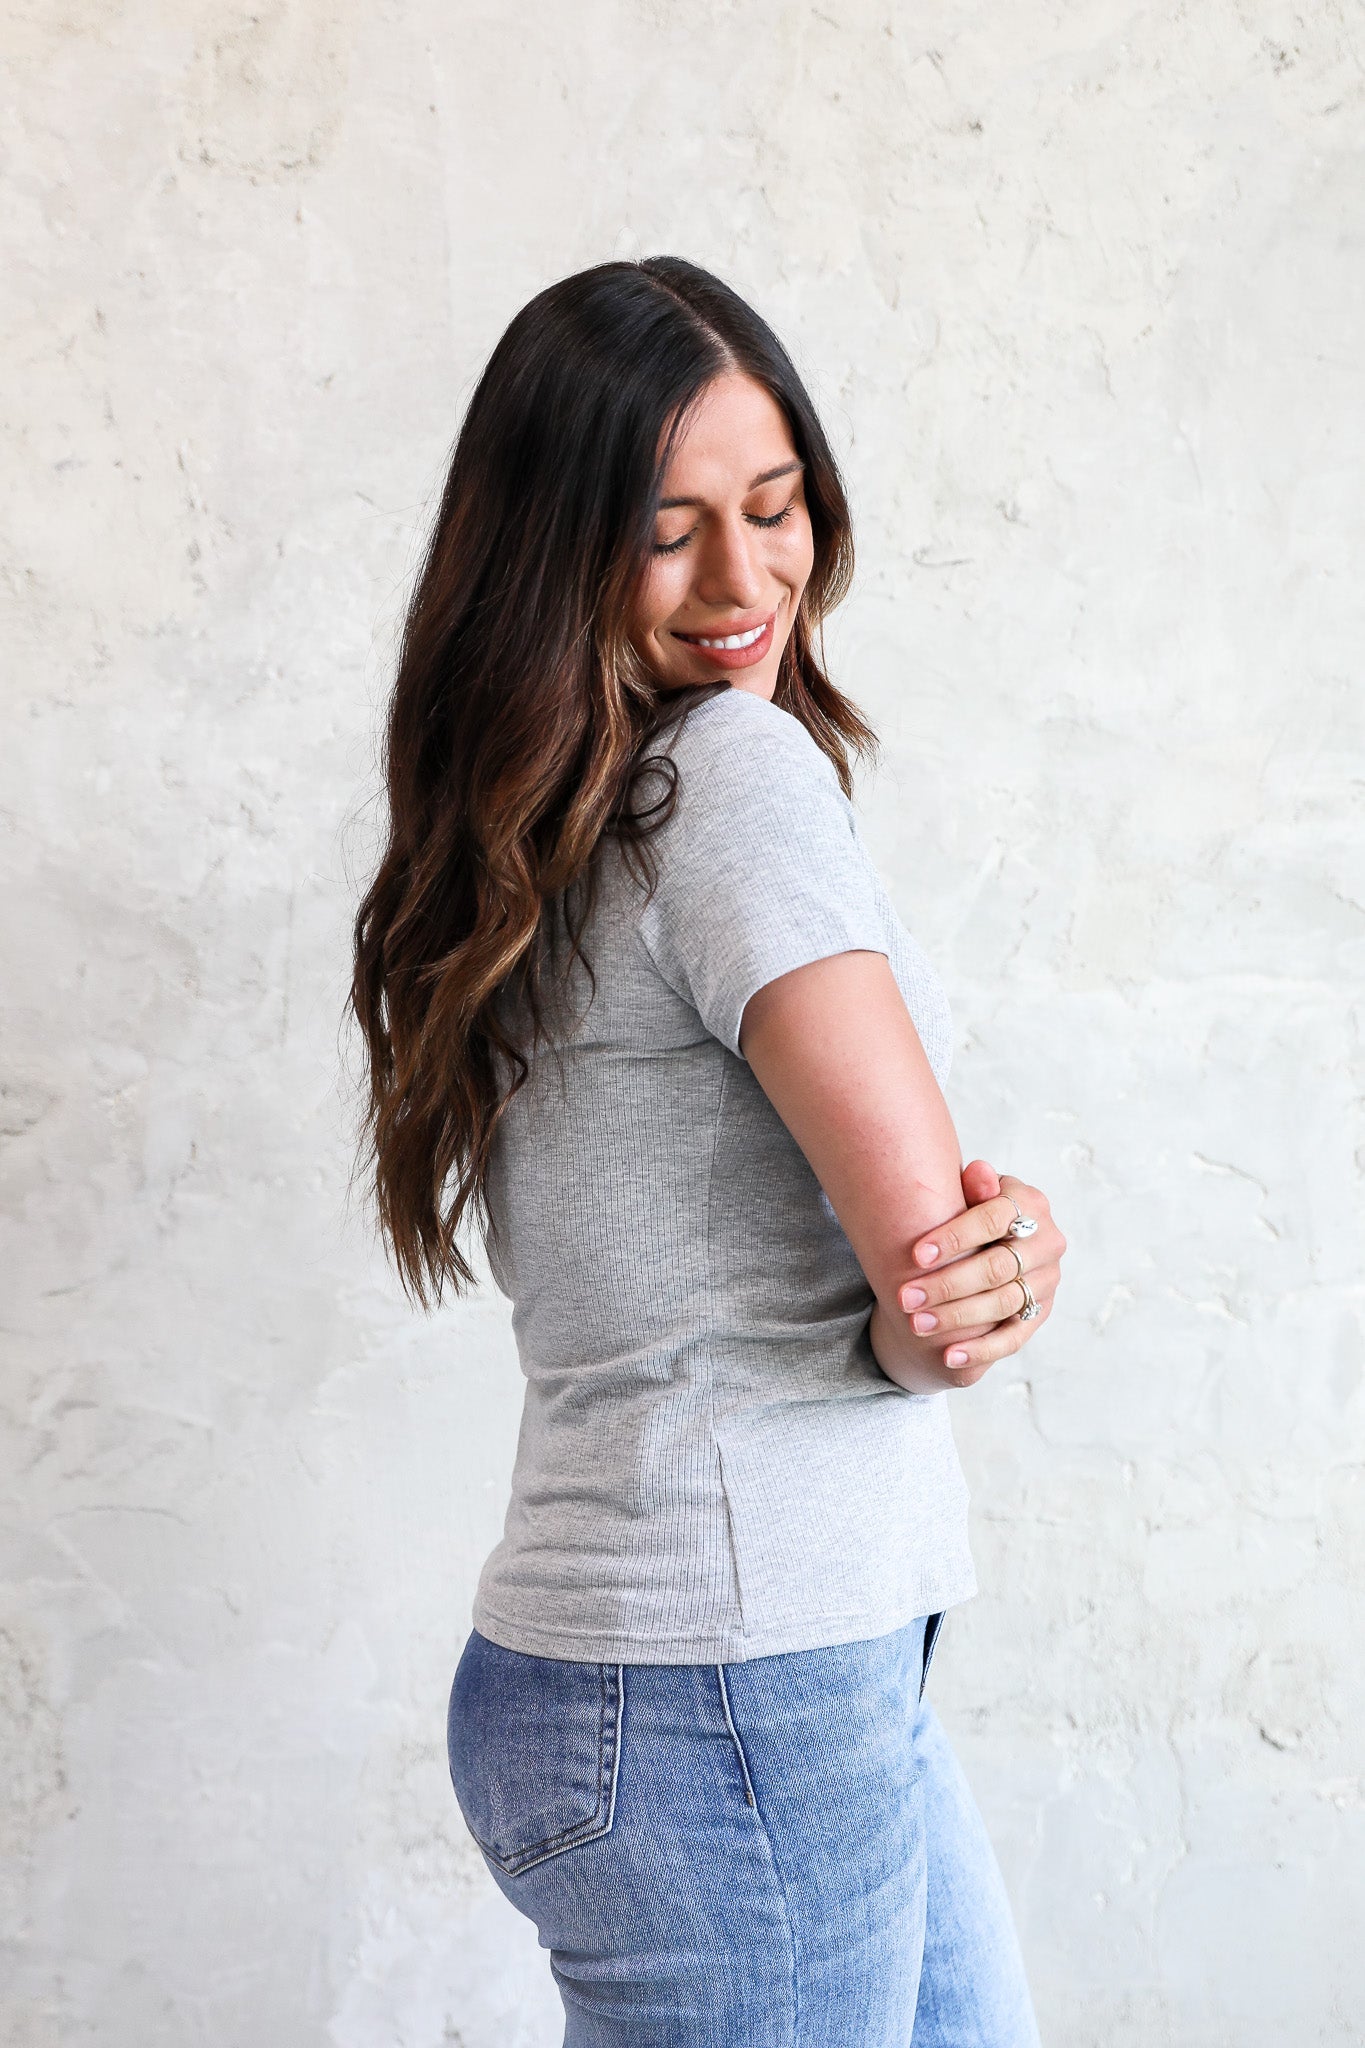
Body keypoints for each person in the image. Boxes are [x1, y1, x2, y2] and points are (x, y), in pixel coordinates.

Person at [350, 256, 1067, 2046]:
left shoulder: (531, 829)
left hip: (682, 1682)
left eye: (775, 506)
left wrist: (964, 1278)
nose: (743, 583)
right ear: (548, 553)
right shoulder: (730, 776)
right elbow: (934, 1302)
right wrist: (991, 1272)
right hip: (735, 1687)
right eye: (663, 533)